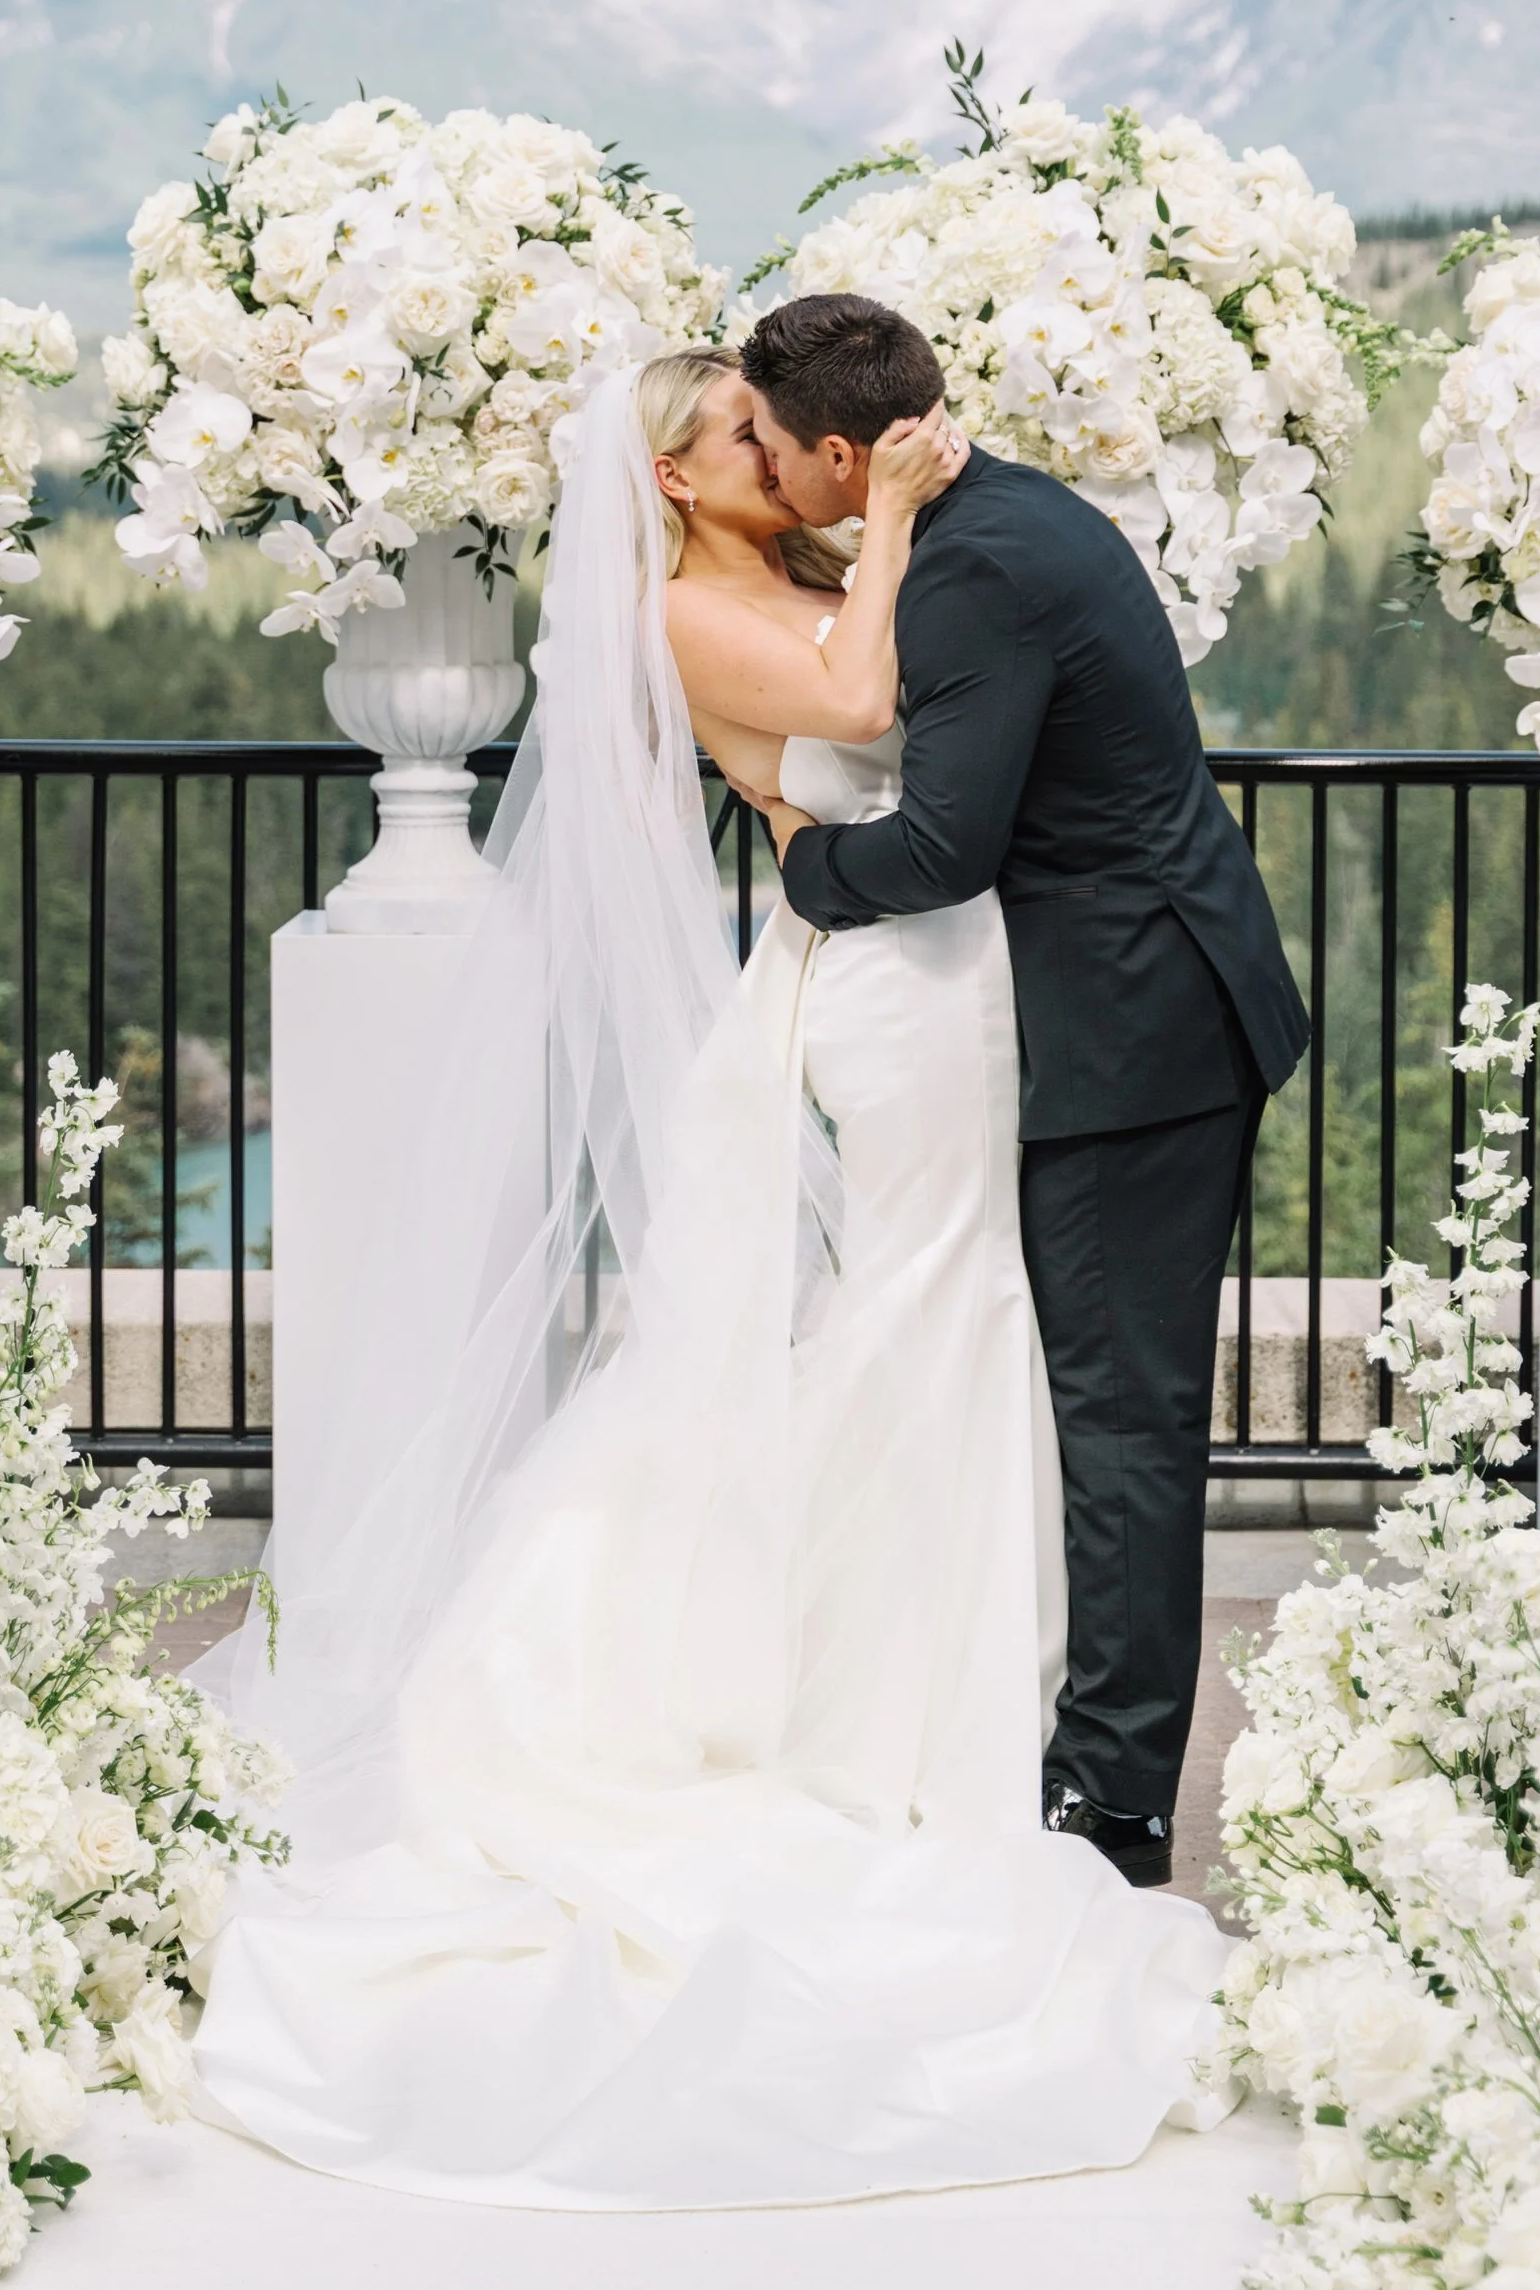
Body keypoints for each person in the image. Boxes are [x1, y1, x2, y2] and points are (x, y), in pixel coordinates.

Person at [191, 347, 1232, 2209]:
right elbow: (855, 705)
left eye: (784, 428)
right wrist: (903, 511)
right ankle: (875, 1712)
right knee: (934, 1309)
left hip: (949, 976)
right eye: (745, 435)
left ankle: (945, 1694)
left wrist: (894, 544)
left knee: (944, 1317)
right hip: (890, 994)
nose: (786, 453)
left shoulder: (806, 577)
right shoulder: (699, 618)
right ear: (674, 481)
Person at [736, 293, 1310, 1882]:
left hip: (1140, 1037)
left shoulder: (975, 571)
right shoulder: (998, 510)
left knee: (1122, 1424)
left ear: (848, 454)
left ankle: (1116, 1815)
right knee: (1094, 1411)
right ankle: (1065, 1753)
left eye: (778, 455)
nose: (769, 479)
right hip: (1126, 1010)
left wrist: (796, 860)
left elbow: (938, 849)